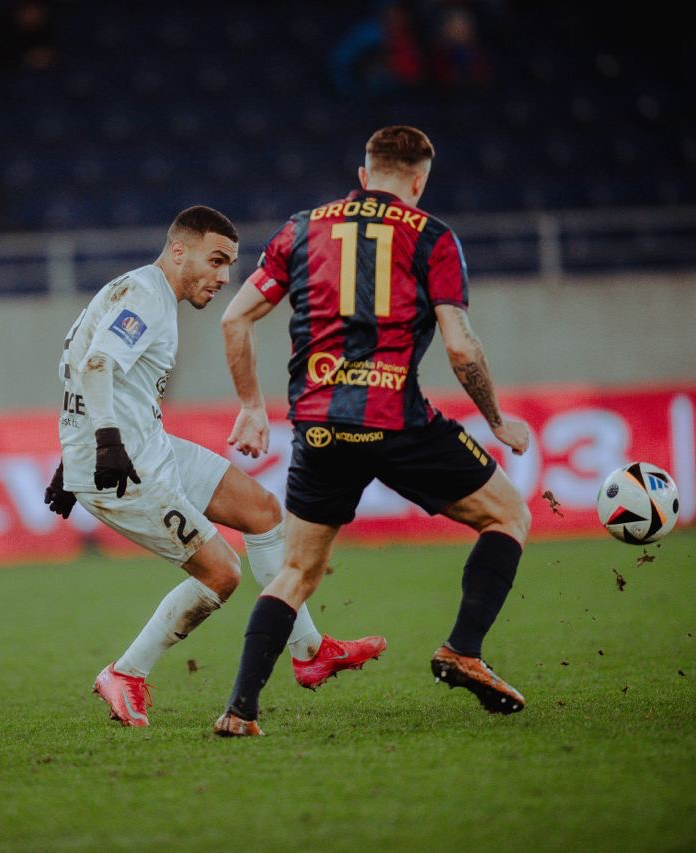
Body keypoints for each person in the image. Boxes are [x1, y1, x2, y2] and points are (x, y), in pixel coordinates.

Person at [213, 126, 532, 736]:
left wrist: (252, 406)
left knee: (296, 573)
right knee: (508, 516)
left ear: (363, 176)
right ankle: (462, 649)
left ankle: (239, 710)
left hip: (318, 425)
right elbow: (461, 347)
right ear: (419, 182)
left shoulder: (300, 229)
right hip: (396, 420)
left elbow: (234, 319)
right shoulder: (433, 237)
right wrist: (496, 419)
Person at [43, 205, 385, 729]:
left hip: (144, 445)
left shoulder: (135, 290)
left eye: (230, 265)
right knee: (222, 574)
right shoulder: (146, 296)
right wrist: (102, 444)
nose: (225, 277)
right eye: (217, 260)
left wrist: (74, 455)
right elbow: (96, 364)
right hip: (127, 464)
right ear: (179, 251)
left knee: (262, 511)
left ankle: (310, 651)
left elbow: (82, 367)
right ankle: (125, 673)